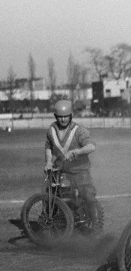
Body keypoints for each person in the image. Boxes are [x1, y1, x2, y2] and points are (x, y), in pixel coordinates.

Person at [44, 99, 102, 234]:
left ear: (70, 115)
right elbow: (48, 146)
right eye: (60, 116)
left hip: (80, 171)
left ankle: (97, 228)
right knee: (52, 197)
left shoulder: (79, 130)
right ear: (55, 116)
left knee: (88, 197)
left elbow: (91, 146)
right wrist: (48, 162)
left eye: (65, 116)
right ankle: (54, 225)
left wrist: (77, 152)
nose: (63, 119)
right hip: (60, 171)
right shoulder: (51, 130)